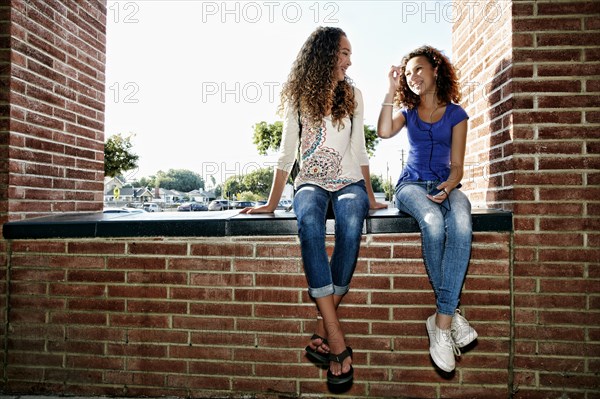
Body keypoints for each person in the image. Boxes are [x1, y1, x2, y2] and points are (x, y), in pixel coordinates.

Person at [241, 26, 387, 385]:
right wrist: (271, 202)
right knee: (308, 222)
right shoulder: (297, 95)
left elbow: (359, 148)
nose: (350, 60)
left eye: (350, 54)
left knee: (352, 223)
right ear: (324, 54)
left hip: (349, 179)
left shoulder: (354, 93)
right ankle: (334, 336)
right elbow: (286, 151)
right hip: (309, 181)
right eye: (344, 53)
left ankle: (324, 328)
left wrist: (368, 195)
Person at [377, 45, 478, 373]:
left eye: (418, 70)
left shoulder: (456, 114)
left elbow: (458, 166)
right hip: (410, 187)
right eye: (407, 74)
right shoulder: (407, 113)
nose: (413, 77)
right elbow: (382, 131)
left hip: (445, 186)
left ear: (435, 69)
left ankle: (441, 324)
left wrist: (449, 185)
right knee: (433, 222)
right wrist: (391, 89)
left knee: (462, 221)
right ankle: (451, 318)